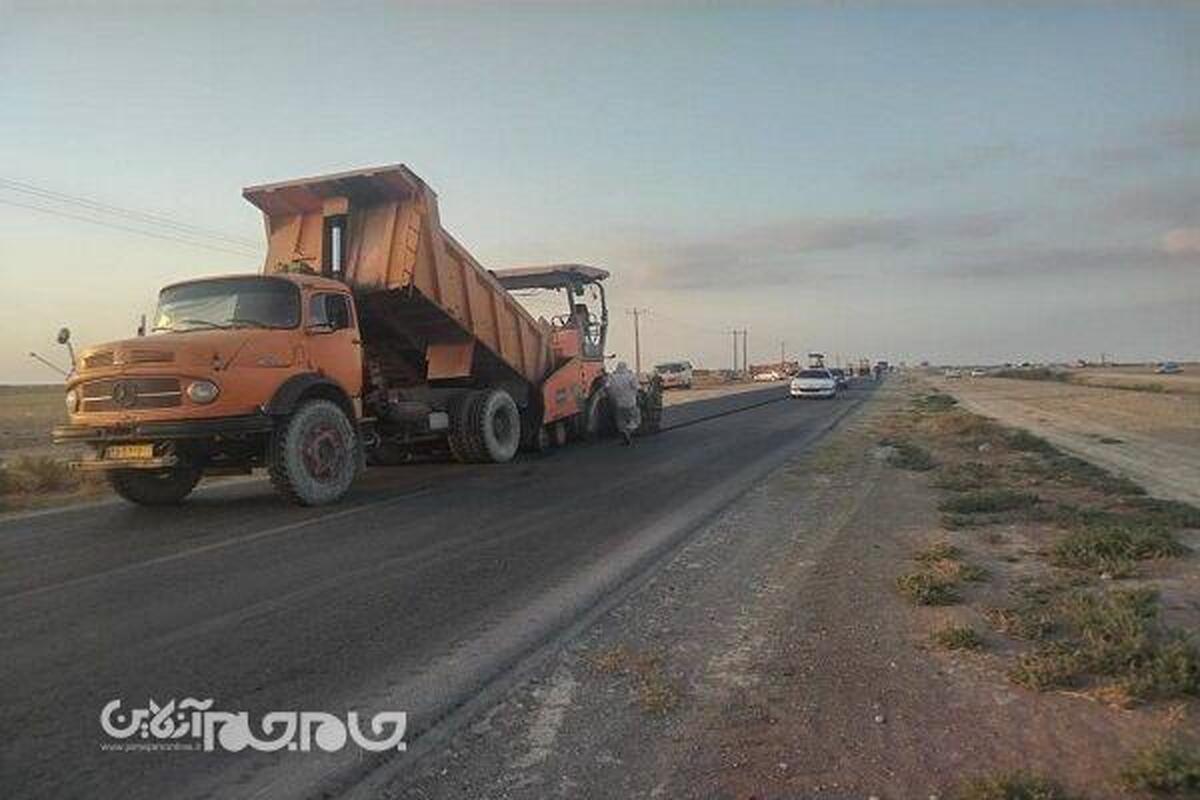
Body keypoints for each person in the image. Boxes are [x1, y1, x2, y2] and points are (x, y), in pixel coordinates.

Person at [605, 362, 641, 445]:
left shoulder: (612, 377)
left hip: (618, 403)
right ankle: (629, 431)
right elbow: (637, 387)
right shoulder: (631, 376)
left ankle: (625, 433)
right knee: (635, 420)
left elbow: (606, 386)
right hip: (631, 402)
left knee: (621, 421)